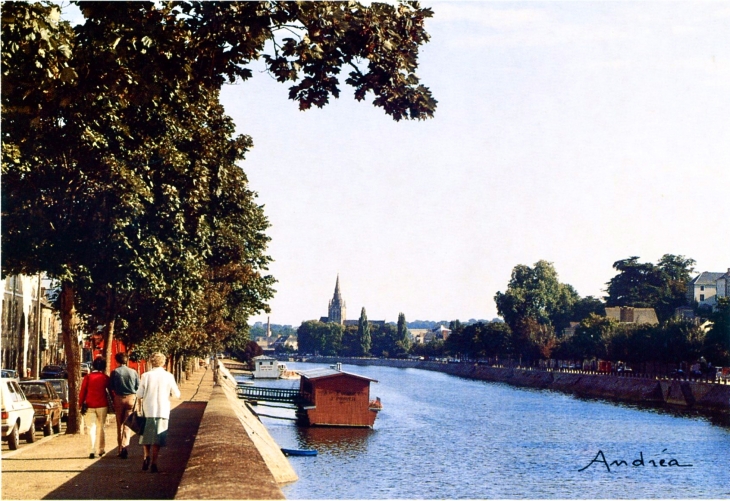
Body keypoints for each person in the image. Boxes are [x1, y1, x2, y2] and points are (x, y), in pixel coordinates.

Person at [136, 352, 181, 473]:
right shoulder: (169, 376)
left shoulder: (146, 376)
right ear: (164, 363)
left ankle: (146, 456)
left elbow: (139, 394)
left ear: (151, 362)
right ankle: (154, 463)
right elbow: (177, 394)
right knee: (158, 438)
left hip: (148, 410)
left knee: (146, 436)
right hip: (162, 411)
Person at [79, 357, 111, 459]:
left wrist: (80, 404)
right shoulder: (105, 377)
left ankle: (91, 450)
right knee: (101, 427)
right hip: (102, 405)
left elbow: (82, 392)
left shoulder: (88, 377)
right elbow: (110, 391)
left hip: (89, 405)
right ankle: (101, 449)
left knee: (90, 428)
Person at [110, 352, 140, 459]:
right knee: (128, 424)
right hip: (131, 398)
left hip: (119, 398)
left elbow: (111, 386)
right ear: (126, 360)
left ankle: (120, 448)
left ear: (117, 361)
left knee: (120, 424)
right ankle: (125, 446)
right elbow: (138, 386)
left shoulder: (115, 372)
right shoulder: (133, 372)